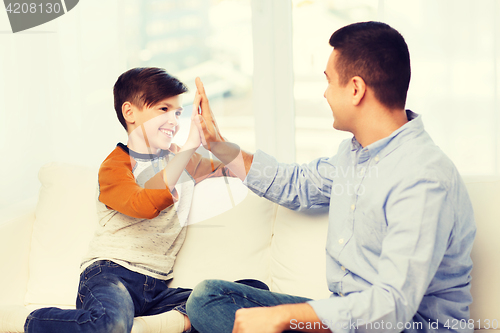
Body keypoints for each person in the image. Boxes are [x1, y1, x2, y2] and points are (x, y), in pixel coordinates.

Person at [186, 21, 476, 333]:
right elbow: (295, 184)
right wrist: (220, 147)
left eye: (328, 82)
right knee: (209, 298)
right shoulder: (352, 156)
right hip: (348, 320)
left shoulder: (423, 178)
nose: (324, 94)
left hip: (403, 326)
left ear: (355, 89)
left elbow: (391, 308)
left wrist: (282, 317)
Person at [6, 67, 233, 333]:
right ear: (130, 113)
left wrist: (214, 139)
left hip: (158, 286)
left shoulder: (183, 161)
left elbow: (234, 167)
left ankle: (163, 322)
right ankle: (23, 321)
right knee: (109, 326)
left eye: (178, 112)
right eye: (163, 109)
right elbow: (144, 204)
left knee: (244, 299)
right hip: (111, 275)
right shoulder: (115, 166)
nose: (174, 120)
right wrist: (190, 146)